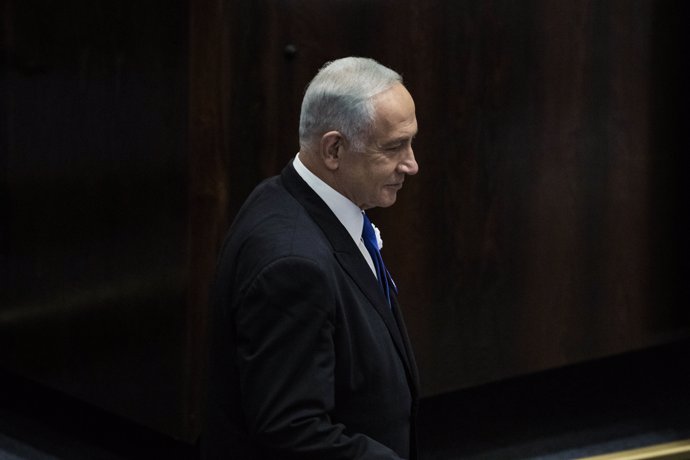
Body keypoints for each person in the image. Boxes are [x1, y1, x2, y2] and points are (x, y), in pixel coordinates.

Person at [203, 57, 420, 459]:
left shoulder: (282, 194)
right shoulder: (293, 266)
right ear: (334, 148)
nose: (411, 164)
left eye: (410, 143)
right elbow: (292, 430)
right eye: (393, 148)